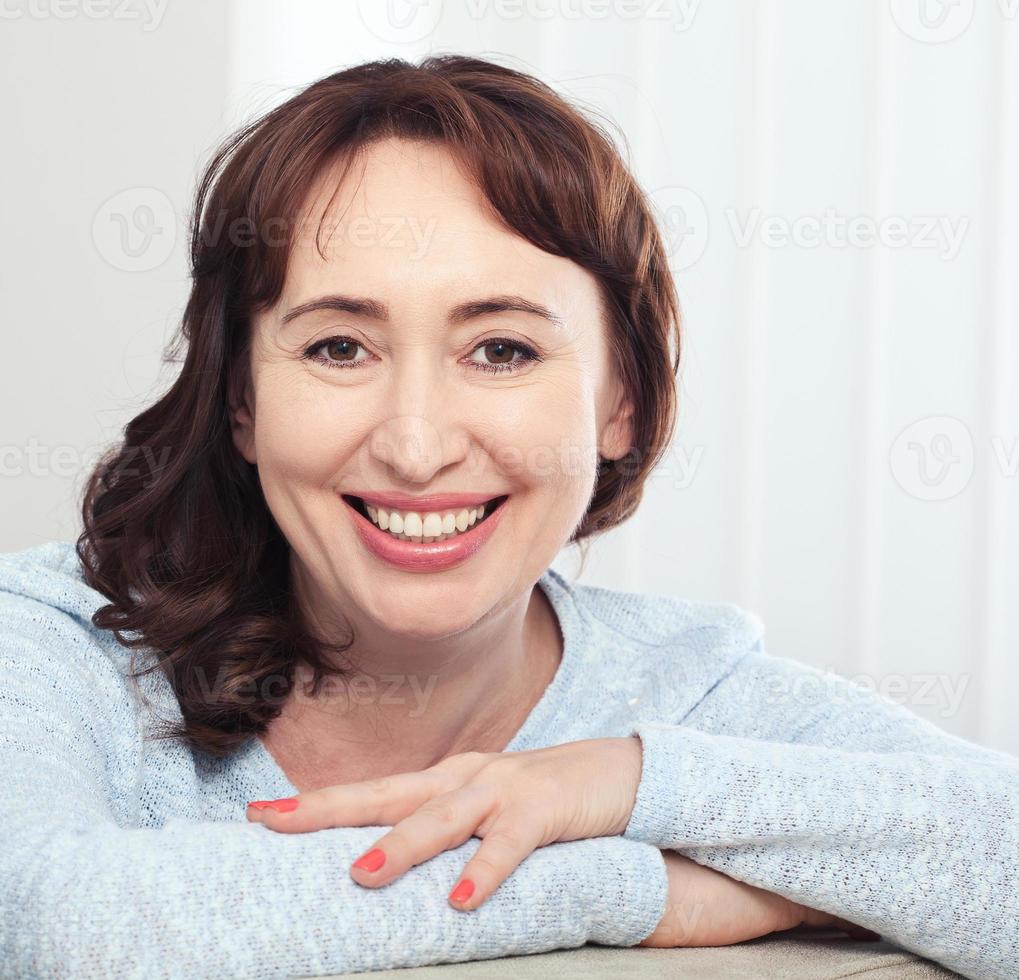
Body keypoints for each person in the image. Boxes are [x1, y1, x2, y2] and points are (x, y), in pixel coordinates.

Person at [2, 55, 1016, 980]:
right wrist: (642, 889)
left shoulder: (682, 692)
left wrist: (624, 783)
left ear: (619, 401)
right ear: (241, 404)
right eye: (338, 348)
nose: (415, 442)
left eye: (501, 350)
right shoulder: (58, 644)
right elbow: (56, 923)